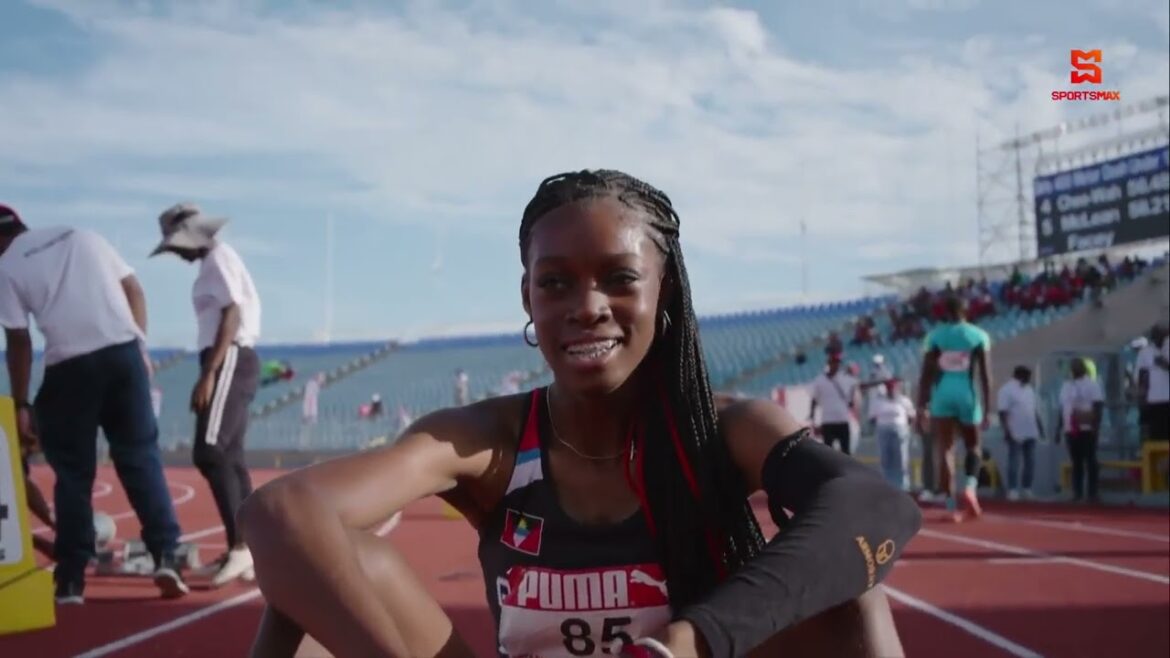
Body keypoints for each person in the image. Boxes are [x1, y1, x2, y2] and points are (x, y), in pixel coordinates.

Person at [238, 170, 922, 658]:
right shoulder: (487, 442)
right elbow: (283, 513)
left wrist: (693, 640)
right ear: (528, 297)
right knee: (317, 582)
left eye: (620, 278)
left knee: (849, 591)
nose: (586, 304)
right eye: (555, 281)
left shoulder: (722, 430)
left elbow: (875, 510)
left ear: (667, 292)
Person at [0, 203, 187, 602]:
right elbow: (134, 288)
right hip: (122, 354)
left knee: (73, 475)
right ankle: (167, 555)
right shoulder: (84, 237)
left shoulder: (7, 266)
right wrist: (139, 343)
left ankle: (70, 579)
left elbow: (18, 340)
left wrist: (21, 402)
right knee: (140, 458)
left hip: (69, 367)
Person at [150, 202, 262, 587]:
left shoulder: (217, 259)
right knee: (229, 457)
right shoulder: (214, 262)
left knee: (210, 451)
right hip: (228, 357)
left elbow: (232, 313)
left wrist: (209, 373)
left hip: (228, 356)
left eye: (176, 246)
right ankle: (248, 549)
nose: (177, 254)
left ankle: (241, 547)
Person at [916, 295, 991, 522]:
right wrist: (987, 408)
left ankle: (950, 505)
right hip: (967, 393)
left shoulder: (935, 337)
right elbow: (986, 375)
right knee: (973, 446)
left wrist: (922, 406)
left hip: (942, 395)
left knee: (946, 449)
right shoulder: (978, 335)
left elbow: (926, 375)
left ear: (944, 313)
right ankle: (970, 487)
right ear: (966, 311)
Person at [1059, 357, 1104, 502]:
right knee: (1076, 461)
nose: (1074, 369)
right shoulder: (1066, 386)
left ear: (1083, 369)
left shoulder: (1092, 384)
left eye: (1077, 366)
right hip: (1070, 429)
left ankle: (1093, 492)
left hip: (1086, 428)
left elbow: (1098, 406)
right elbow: (1063, 408)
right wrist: (1058, 428)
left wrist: (1096, 426)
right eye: (1073, 367)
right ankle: (1077, 492)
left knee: (1090, 460)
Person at [996, 366, 1043, 500]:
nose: (1029, 379)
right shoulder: (1006, 390)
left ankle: (1027, 488)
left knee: (1031, 461)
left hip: (1030, 430)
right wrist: (1006, 430)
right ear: (1019, 375)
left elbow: (1034, 410)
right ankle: (1012, 489)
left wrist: (1040, 427)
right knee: (1014, 461)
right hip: (1015, 430)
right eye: (1027, 376)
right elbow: (1002, 412)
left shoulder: (1029, 389)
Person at [867, 378, 916, 491]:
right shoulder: (878, 401)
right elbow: (872, 418)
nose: (891, 391)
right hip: (884, 430)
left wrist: (905, 428)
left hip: (900, 430)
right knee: (886, 459)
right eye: (889, 388)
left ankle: (903, 486)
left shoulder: (904, 401)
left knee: (901, 459)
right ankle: (888, 486)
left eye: (893, 388)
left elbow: (911, 416)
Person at [808, 353, 859, 454]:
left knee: (846, 452)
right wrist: (812, 416)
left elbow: (856, 384)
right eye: (834, 362)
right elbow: (814, 399)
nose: (836, 365)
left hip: (842, 420)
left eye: (838, 363)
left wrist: (852, 400)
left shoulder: (845, 378)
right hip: (828, 421)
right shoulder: (820, 380)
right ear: (829, 363)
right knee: (828, 452)